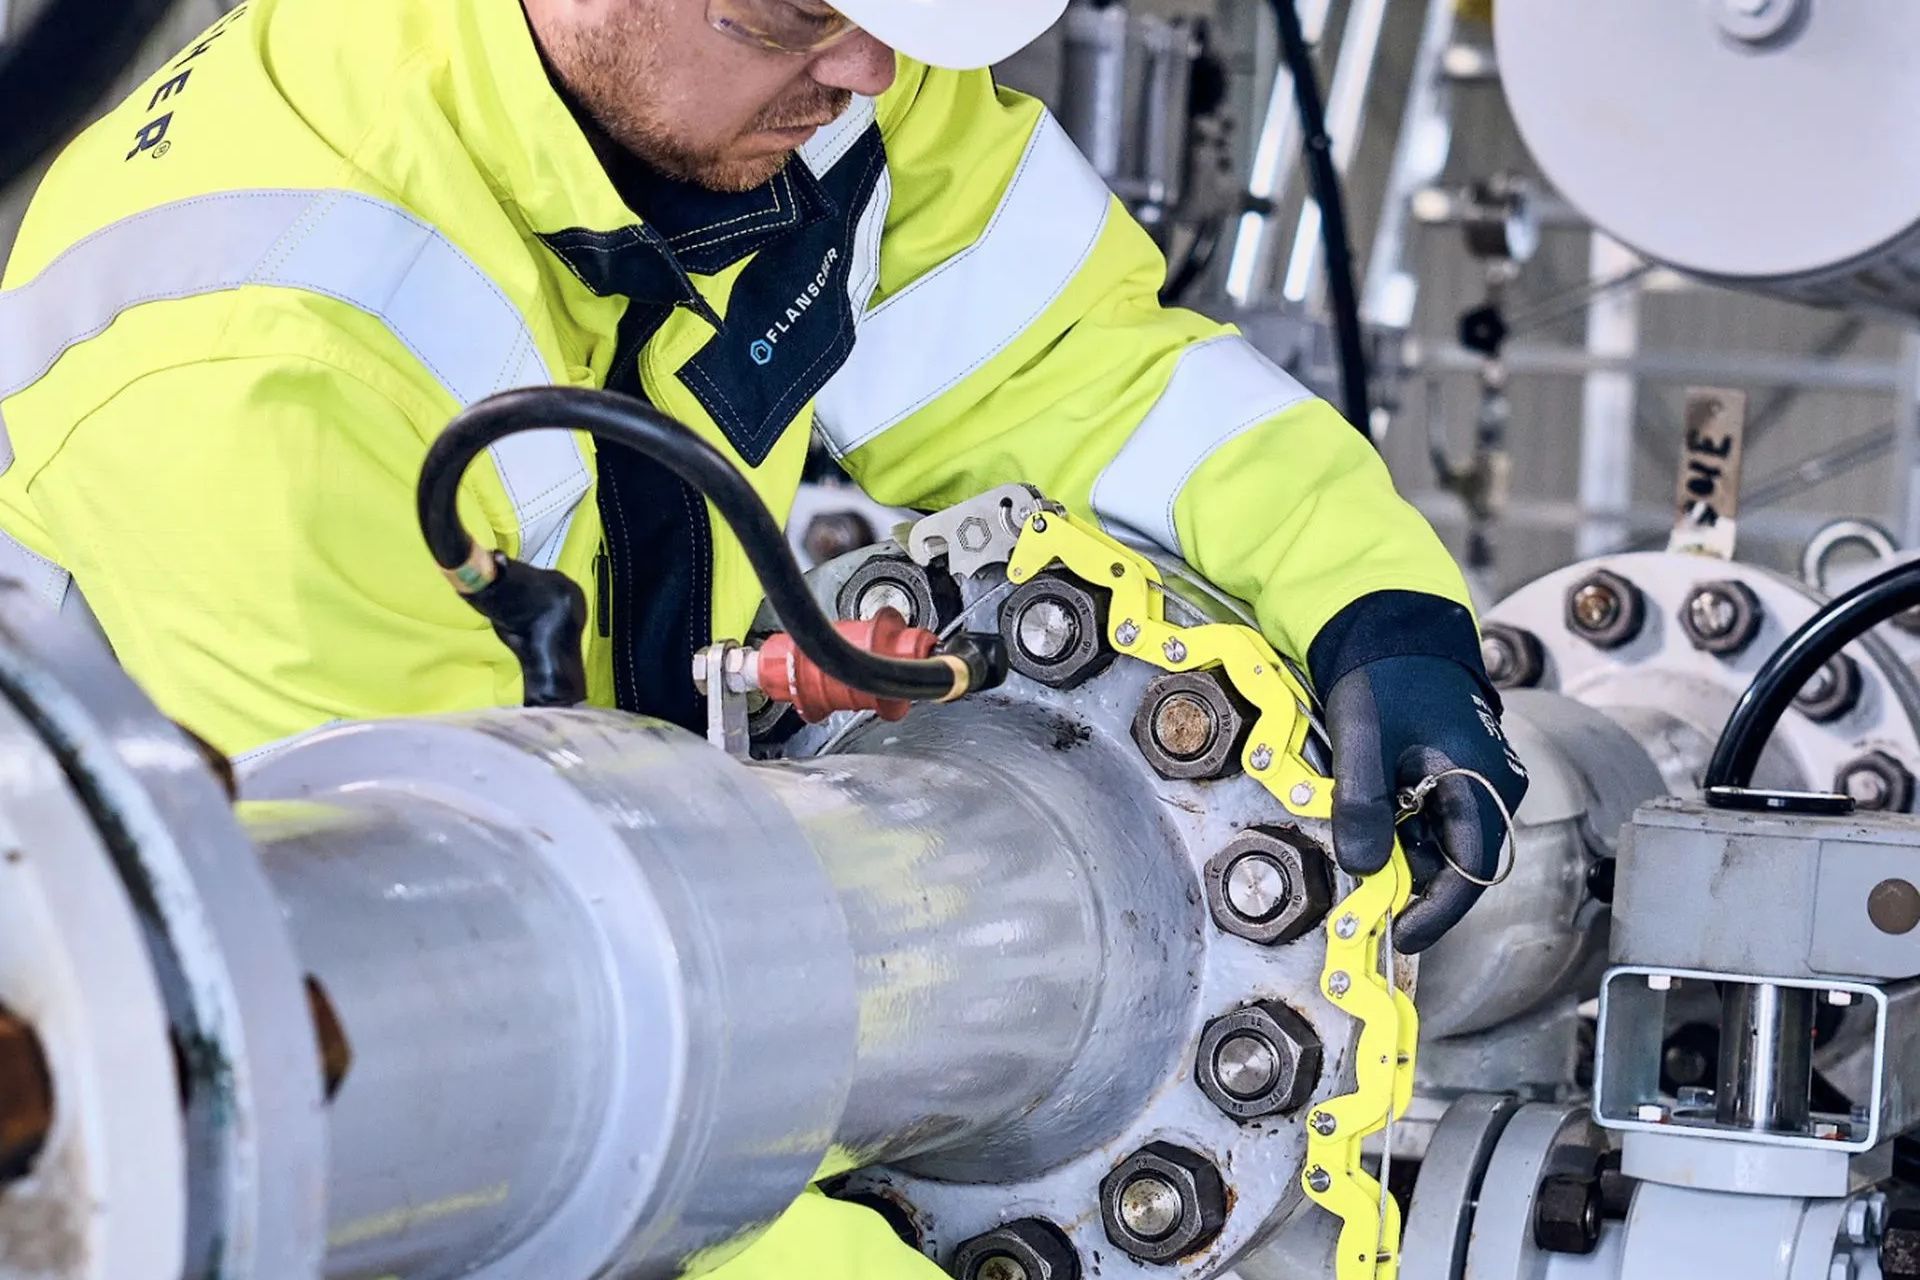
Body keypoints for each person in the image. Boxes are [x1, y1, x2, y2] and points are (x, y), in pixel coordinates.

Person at [0, 0, 1527, 1274]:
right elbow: (511, 1040)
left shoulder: (818, 80)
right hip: (179, 1119)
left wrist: (1375, 609)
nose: (867, 66)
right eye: (794, 14)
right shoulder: (256, 359)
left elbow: (1093, 377)